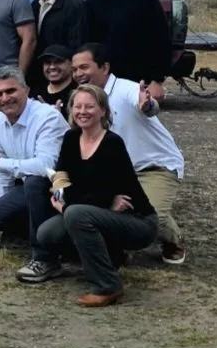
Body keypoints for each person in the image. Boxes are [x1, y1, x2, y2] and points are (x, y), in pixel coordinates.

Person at [21, 84, 157, 306]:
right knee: (47, 233)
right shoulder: (71, 138)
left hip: (136, 219)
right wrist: (67, 193)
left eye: (90, 106)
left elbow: (103, 192)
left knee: (74, 214)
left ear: (103, 110)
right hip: (98, 211)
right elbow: (61, 177)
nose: (82, 111)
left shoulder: (112, 143)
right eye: (77, 106)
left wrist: (66, 204)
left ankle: (108, 286)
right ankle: (111, 256)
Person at [73, 42, 188, 265]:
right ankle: (117, 247)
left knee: (150, 218)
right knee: (103, 209)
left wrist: (147, 105)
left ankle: (174, 239)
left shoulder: (126, 89)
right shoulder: (84, 98)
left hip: (155, 166)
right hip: (120, 171)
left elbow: (147, 104)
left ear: (104, 68)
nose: (78, 74)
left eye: (84, 67)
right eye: (75, 69)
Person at [0, 67, 65, 259]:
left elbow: (45, 167)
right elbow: (1, 174)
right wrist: (0, 201)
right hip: (31, 190)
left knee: (34, 181)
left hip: (63, 190)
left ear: (26, 90)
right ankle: (56, 241)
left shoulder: (48, 116)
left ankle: (44, 257)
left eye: (11, 91)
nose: (5, 98)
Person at [82, 0, 174, 96]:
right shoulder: (91, 2)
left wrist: (157, 81)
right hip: (103, 83)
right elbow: (87, 44)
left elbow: (161, 41)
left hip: (138, 84)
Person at [30, 0, 88, 85]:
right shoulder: (35, 5)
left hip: (63, 79)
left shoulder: (74, 5)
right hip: (41, 78)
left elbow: (78, 46)